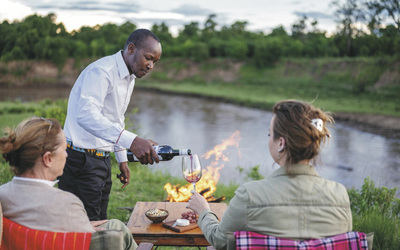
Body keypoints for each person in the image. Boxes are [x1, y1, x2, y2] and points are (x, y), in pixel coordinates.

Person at [187, 99, 353, 249]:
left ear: (281, 143)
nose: (268, 140)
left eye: (269, 134)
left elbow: (220, 240)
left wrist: (204, 211)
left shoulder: (250, 195)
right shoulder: (340, 195)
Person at [58, 29, 162, 221]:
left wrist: (121, 157)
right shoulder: (102, 71)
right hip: (80, 160)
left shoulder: (129, 76)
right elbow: (86, 114)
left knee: (100, 219)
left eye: (155, 61)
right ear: (131, 48)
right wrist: (133, 141)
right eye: (148, 58)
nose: (151, 66)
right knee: (85, 225)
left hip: (101, 159)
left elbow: (115, 117)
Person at [0, 117, 137, 250]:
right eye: (64, 149)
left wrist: (80, 224)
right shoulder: (67, 204)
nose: (66, 155)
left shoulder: (3, 196)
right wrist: (80, 223)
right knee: (118, 229)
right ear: (47, 159)